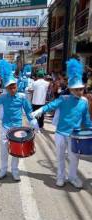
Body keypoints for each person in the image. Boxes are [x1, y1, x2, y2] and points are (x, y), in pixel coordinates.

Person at [33, 58, 92, 189]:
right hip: (60, 133)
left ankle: (72, 177)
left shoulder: (84, 101)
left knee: (74, 157)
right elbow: (52, 105)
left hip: (75, 135)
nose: (79, 92)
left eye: (81, 89)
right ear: (70, 89)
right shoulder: (64, 98)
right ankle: (60, 177)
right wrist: (40, 110)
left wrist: (90, 130)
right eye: (76, 89)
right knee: (60, 156)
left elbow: (86, 119)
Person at [0, 59, 37, 182]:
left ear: (16, 86)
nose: (12, 89)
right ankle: (3, 170)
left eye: (14, 86)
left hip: (17, 127)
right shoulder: (4, 97)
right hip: (5, 127)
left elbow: (28, 110)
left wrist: (33, 121)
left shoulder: (22, 97)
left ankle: (15, 171)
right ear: (6, 88)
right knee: (4, 149)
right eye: (10, 87)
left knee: (16, 150)